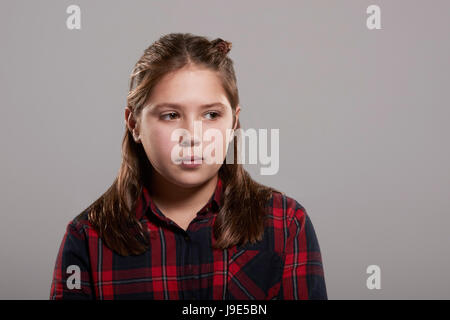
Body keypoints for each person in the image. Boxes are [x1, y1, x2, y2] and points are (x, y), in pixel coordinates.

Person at [49, 33, 328, 300]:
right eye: (171, 115)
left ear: (232, 122)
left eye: (211, 115)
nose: (192, 136)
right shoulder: (87, 237)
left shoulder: (286, 224)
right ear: (134, 124)